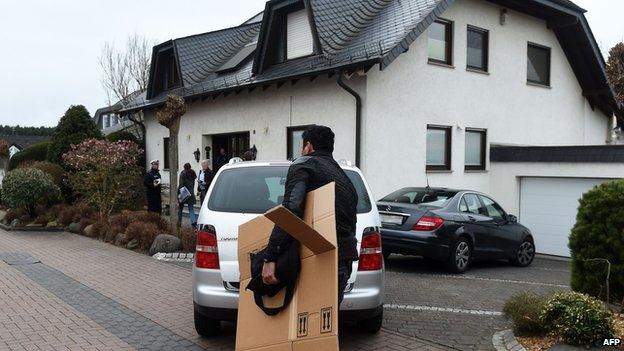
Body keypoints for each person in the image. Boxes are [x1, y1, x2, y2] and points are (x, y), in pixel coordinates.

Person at [261, 125, 358, 305]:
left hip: (313, 260)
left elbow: (291, 209)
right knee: (324, 327)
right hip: (342, 261)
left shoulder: (303, 164)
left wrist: (270, 256)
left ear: (308, 146)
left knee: (298, 327)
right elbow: (351, 224)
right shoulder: (345, 179)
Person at [178, 163, 198, 228]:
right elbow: (193, 184)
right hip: (191, 193)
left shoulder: (183, 173)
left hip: (184, 193)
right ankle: (193, 223)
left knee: (180, 208)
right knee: (191, 208)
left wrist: (179, 193)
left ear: (184, 167)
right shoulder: (193, 173)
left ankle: (179, 223)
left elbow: (181, 185)